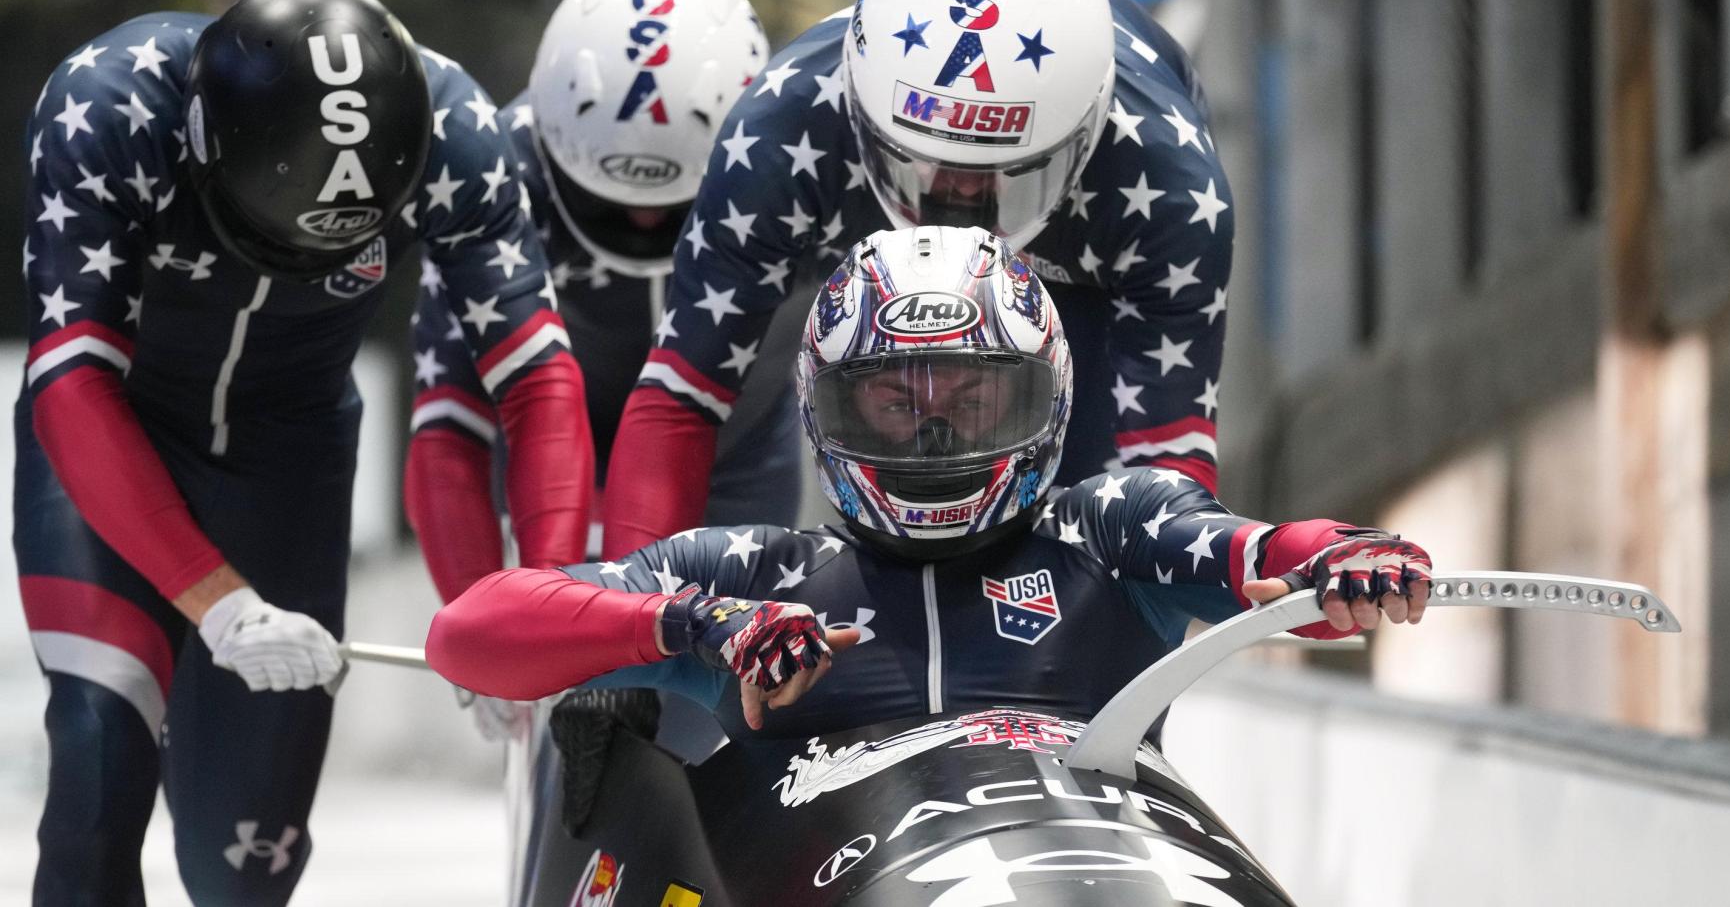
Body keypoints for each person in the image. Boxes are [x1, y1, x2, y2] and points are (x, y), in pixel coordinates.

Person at [15, 0, 591, 905]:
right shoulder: (107, 105)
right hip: (113, 425)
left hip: (289, 456)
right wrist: (221, 603)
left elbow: (538, 379)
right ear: (203, 146)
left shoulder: (458, 135)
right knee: (97, 753)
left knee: (247, 856)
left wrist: (542, 611)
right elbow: (72, 380)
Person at [427, 227, 1433, 743]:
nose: (938, 430)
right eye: (895, 404)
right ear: (829, 410)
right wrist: (697, 624)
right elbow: (466, 634)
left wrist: (1337, 562)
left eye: (974, 397)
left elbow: (1260, 558)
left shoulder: (1109, 527)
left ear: (1044, 395)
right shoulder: (755, 580)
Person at [598, 0, 1240, 562]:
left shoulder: (1169, 186)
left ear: (1084, 133)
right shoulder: (779, 132)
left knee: (1083, 520)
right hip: (857, 233)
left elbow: (1165, 474)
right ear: (860, 107)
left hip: (1079, 279)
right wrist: (633, 609)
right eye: (926, 162)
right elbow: (681, 397)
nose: (959, 191)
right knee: (796, 407)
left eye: (1001, 171)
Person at [404, 0, 786, 751]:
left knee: (719, 720)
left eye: (669, 207)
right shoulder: (491, 166)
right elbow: (449, 423)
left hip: (737, 447)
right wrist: (491, 612)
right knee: (578, 708)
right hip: (558, 440)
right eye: (609, 205)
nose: (643, 225)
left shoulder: (787, 156)